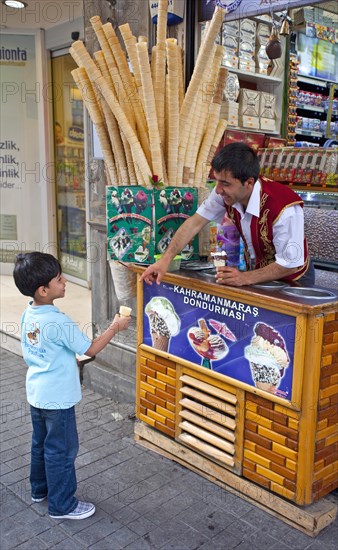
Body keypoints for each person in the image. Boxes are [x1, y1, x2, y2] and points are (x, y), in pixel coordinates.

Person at [13, 252, 131, 520]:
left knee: (40, 444)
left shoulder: (29, 313)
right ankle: (62, 504)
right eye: (58, 279)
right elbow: (89, 349)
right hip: (58, 399)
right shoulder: (57, 320)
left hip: (37, 394)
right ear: (43, 290)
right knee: (62, 451)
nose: (65, 281)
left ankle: (39, 490)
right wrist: (115, 326)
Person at [141, 142, 314, 287]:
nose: (218, 189)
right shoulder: (224, 193)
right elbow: (195, 222)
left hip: (294, 281)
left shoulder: (284, 208)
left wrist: (245, 277)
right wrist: (165, 260)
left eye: (225, 183)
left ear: (249, 182)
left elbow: (291, 264)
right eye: (217, 181)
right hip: (258, 276)